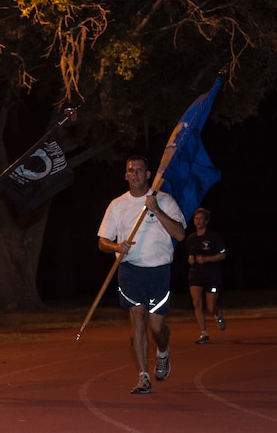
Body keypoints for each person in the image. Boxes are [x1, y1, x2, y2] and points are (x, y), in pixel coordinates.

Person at [97, 155, 186, 394]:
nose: (135, 174)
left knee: (157, 329)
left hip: (159, 270)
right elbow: (103, 241)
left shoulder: (164, 201)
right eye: (130, 170)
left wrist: (156, 210)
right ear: (125, 175)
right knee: (138, 319)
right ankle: (143, 376)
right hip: (130, 270)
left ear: (148, 175)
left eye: (139, 170)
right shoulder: (117, 205)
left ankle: (163, 352)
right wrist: (116, 247)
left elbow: (179, 234)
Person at [186, 207, 227, 344]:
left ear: (206, 221)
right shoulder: (191, 238)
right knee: (197, 303)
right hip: (195, 275)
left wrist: (206, 259)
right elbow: (191, 254)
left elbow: (223, 255)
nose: (197, 221)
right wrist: (191, 259)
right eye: (196, 219)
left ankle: (217, 313)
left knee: (210, 307)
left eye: (200, 219)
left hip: (212, 275)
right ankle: (203, 333)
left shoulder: (213, 236)